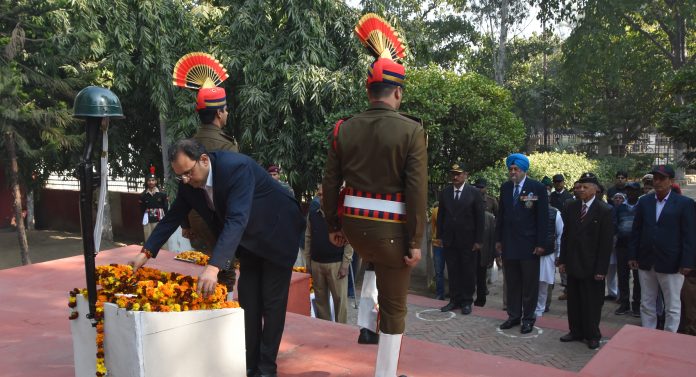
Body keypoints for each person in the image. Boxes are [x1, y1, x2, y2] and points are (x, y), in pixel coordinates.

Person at [129, 139, 305, 377]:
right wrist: (146, 252)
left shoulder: (236, 169)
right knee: (249, 302)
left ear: (203, 160)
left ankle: (266, 368)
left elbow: (236, 219)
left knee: (272, 304)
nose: (186, 179)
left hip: (278, 232)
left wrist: (213, 267)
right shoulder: (189, 183)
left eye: (189, 172)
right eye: (180, 176)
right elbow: (173, 216)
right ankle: (250, 364)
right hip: (249, 240)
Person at [322, 13, 427, 377]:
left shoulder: (344, 129)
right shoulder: (412, 131)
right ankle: (384, 373)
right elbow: (415, 192)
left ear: (368, 91)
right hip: (392, 233)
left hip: (353, 229)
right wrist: (415, 242)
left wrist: (334, 225)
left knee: (372, 265)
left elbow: (330, 182)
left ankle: (365, 321)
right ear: (398, 91)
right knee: (396, 307)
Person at [185, 74, 240, 294]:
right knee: (224, 270)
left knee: (216, 265)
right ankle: (218, 310)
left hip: (195, 218)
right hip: (218, 218)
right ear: (218, 113)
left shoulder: (188, 144)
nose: (227, 113)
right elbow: (233, 192)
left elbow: (182, 186)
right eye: (225, 109)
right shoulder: (226, 146)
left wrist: (186, 224)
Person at [629, 165, 695, 332]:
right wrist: (632, 255)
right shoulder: (644, 201)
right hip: (646, 259)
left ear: (671, 181)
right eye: (655, 178)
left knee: (672, 305)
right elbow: (636, 230)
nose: (657, 182)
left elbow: (689, 235)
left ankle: (669, 337)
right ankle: (648, 334)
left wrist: (687, 261)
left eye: (661, 179)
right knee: (647, 302)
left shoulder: (684, 203)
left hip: (672, 262)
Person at [558, 172, 614, 349]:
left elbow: (606, 243)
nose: (581, 190)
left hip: (593, 265)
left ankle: (592, 334)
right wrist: (563, 260)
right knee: (574, 300)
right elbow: (566, 236)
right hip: (574, 262)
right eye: (579, 186)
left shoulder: (605, 210)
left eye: (585, 186)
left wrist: (601, 269)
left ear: (595, 189)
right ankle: (575, 331)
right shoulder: (571, 206)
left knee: (592, 302)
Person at [496, 153, 548, 334]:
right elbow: (500, 216)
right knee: (513, 283)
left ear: (524, 169)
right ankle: (513, 316)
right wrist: (498, 240)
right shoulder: (505, 187)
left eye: (516, 169)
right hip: (509, 244)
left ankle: (528, 318)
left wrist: (541, 243)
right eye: (510, 169)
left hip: (529, 245)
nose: (512, 172)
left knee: (529, 284)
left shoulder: (537, 188)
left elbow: (542, 218)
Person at [437, 163, 485, 314]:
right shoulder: (445, 192)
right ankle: (454, 300)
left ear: (466, 175)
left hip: (468, 240)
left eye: (458, 174)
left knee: (468, 271)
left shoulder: (474, 193)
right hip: (450, 239)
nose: (455, 177)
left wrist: (478, 240)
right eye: (453, 174)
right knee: (452, 271)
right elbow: (441, 216)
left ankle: (466, 301)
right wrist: (440, 236)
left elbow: (480, 218)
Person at [303, 185, 353, 323]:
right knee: (321, 303)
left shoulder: (341, 215)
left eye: (325, 194)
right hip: (317, 263)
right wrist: (308, 263)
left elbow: (350, 241)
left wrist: (345, 264)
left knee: (340, 303)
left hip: (336, 265)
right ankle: (325, 332)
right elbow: (308, 237)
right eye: (319, 194)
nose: (321, 197)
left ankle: (341, 332)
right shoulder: (313, 213)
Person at [614, 182, 641, 316]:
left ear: (639, 192)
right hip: (622, 246)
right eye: (629, 190)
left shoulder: (642, 206)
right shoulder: (620, 207)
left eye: (634, 191)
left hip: (637, 247)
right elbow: (615, 223)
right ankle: (624, 304)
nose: (631, 193)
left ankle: (637, 305)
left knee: (638, 277)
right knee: (623, 276)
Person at [536, 203, 563, 317]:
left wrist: (559, 254)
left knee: (543, 283)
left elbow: (560, 234)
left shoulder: (555, 213)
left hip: (547, 253)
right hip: (528, 253)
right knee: (528, 282)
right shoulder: (527, 209)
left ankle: (540, 308)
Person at [139, 165, 169, 247]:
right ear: (146, 182)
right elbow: (142, 209)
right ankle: (149, 257)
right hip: (148, 220)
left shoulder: (162, 194)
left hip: (160, 220)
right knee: (149, 240)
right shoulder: (143, 195)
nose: (151, 182)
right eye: (149, 180)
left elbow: (166, 208)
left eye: (153, 180)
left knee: (162, 241)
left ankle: (164, 257)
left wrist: (166, 221)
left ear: (156, 181)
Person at [430, 201, 445, 300]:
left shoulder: (454, 209)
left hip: (449, 245)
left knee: (452, 271)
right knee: (439, 271)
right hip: (438, 245)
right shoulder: (436, 211)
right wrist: (434, 239)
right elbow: (433, 227)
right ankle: (440, 293)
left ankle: (446, 294)